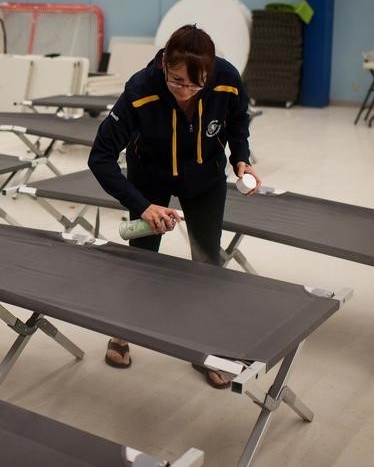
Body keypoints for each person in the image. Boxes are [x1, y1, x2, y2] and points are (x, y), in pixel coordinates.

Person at [87, 24, 261, 389]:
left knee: (208, 263)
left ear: (209, 72)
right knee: (142, 262)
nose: (185, 92)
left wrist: (241, 158)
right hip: (149, 178)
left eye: (195, 85)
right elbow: (100, 158)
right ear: (165, 62)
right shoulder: (140, 90)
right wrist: (142, 205)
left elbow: (239, 119)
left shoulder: (226, 79)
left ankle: (208, 350)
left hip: (206, 178)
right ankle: (122, 333)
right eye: (177, 80)